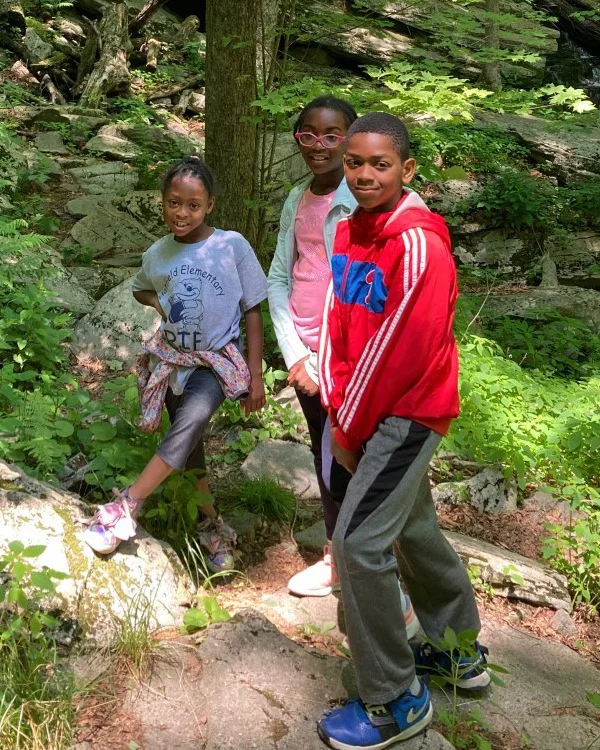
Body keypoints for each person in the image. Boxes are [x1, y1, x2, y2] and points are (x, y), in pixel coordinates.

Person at [316, 112, 490, 750]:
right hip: (363, 408)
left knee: (360, 544)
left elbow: (400, 352)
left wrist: (348, 427)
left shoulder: (418, 244)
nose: (363, 174)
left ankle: (395, 700)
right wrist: (338, 404)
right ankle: (454, 650)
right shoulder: (346, 229)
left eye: (379, 164)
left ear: (407, 169)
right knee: (410, 527)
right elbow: (339, 319)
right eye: (354, 162)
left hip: (409, 412)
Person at [267, 96, 418, 637]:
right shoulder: (296, 199)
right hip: (306, 358)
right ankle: (338, 559)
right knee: (326, 455)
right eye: (308, 134)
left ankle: (385, 578)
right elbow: (280, 277)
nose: (320, 146)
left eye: (334, 135)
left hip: (352, 365)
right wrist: (297, 355)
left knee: (361, 463)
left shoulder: (374, 207)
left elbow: (357, 296)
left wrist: (328, 364)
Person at [83, 156, 267, 572]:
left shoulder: (231, 246)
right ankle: (211, 524)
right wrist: (161, 305)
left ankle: (128, 505)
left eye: (193, 205)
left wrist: (255, 374)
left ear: (210, 206)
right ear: (162, 202)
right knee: (190, 446)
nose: (182, 213)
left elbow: (253, 308)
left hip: (216, 363)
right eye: (173, 203)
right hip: (171, 360)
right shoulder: (157, 253)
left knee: (190, 423)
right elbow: (140, 289)